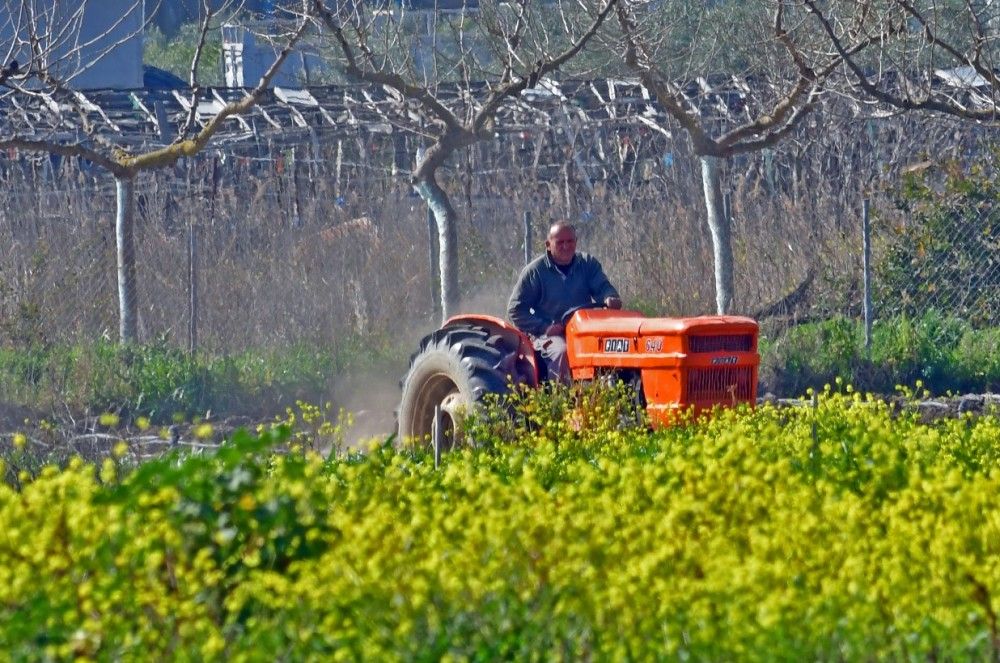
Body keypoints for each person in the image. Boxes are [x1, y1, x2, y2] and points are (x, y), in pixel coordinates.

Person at [507, 221, 622, 382]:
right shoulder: (535, 272)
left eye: (570, 241)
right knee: (562, 351)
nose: (566, 246)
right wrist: (544, 327)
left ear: (576, 242)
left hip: (583, 329)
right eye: (560, 242)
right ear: (548, 244)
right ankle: (561, 401)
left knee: (615, 346)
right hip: (550, 335)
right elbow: (515, 310)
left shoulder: (587, 264)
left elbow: (603, 287)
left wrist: (610, 297)